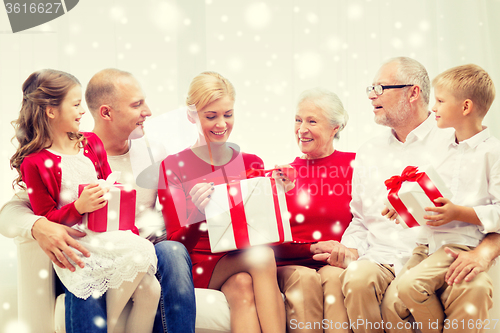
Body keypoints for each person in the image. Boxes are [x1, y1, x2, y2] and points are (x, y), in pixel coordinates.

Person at [0, 68, 196, 333]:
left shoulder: (151, 151)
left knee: (171, 253)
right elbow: (14, 210)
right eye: (137, 104)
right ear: (106, 112)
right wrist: (39, 226)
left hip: (135, 243)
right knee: (85, 268)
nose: (148, 111)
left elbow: (173, 207)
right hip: (88, 247)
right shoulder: (57, 156)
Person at [330, 57, 498, 333]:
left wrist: (483, 253)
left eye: (380, 88)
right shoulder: (369, 151)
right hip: (383, 256)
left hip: (443, 250)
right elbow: (360, 220)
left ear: (413, 92)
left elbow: (479, 204)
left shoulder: (454, 138)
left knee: (474, 287)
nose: (372, 95)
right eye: (371, 88)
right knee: (358, 277)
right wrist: (350, 247)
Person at [158, 71, 286, 333]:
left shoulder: (252, 163)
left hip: (236, 260)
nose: (221, 124)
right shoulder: (173, 166)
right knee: (261, 258)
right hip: (198, 264)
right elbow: (175, 244)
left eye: (228, 114)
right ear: (191, 115)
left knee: (241, 286)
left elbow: (264, 230)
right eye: (211, 116)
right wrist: (196, 211)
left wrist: (281, 193)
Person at [381, 64, 500, 333]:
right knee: (390, 306)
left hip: (459, 246)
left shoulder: (492, 153)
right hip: (426, 245)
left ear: (465, 107)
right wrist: (401, 205)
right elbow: (426, 190)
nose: (433, 107)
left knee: (412, 286)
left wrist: (459, 213)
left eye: (440, 101)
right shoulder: (439, 146)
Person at [271, 88, 355, 333]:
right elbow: (266, 241)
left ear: (335, 127)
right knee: (305, 279)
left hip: (334, 262)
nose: (301, 129)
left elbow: (369, 223)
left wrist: (349, 252)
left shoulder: (355, 166)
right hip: (291, 263)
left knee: (335, 277)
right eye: (298, 120)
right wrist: (310, 248)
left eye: (312, 121)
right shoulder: (279, 176)